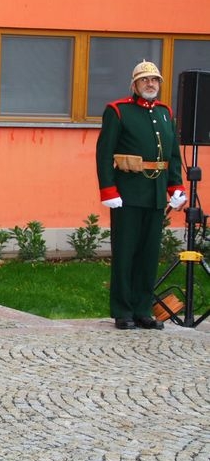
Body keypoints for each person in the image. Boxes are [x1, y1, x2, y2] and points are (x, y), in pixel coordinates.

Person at [96, 60, 187, 331]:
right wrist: (108, 190)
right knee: (125, 253)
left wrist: (176, 188)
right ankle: (123, 310)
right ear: (134, 84)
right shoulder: (118, 111)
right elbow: (104, 154)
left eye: (155, 80)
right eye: (145, 80)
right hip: (127, 192)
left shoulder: (164, 112)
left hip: (156, 194)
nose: (150, 84)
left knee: (149, 254)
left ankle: (143, 309)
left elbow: (172, 155)